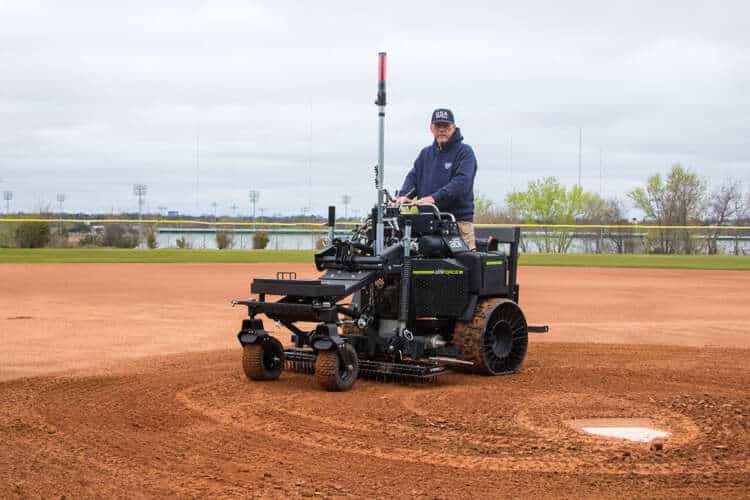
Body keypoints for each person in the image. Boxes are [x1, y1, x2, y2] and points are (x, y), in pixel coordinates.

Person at [396, 108, 477, 249]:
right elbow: (413, 177)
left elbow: (461, 183)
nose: (441, 130)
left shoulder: (465, 152)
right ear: (431, 128)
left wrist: (433, 198)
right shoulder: (425, 154)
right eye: (437, 126)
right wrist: (403, 196)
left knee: (466, 265)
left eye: (445, 126)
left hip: (457, 222)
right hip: (426, 222)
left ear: (453, 127)